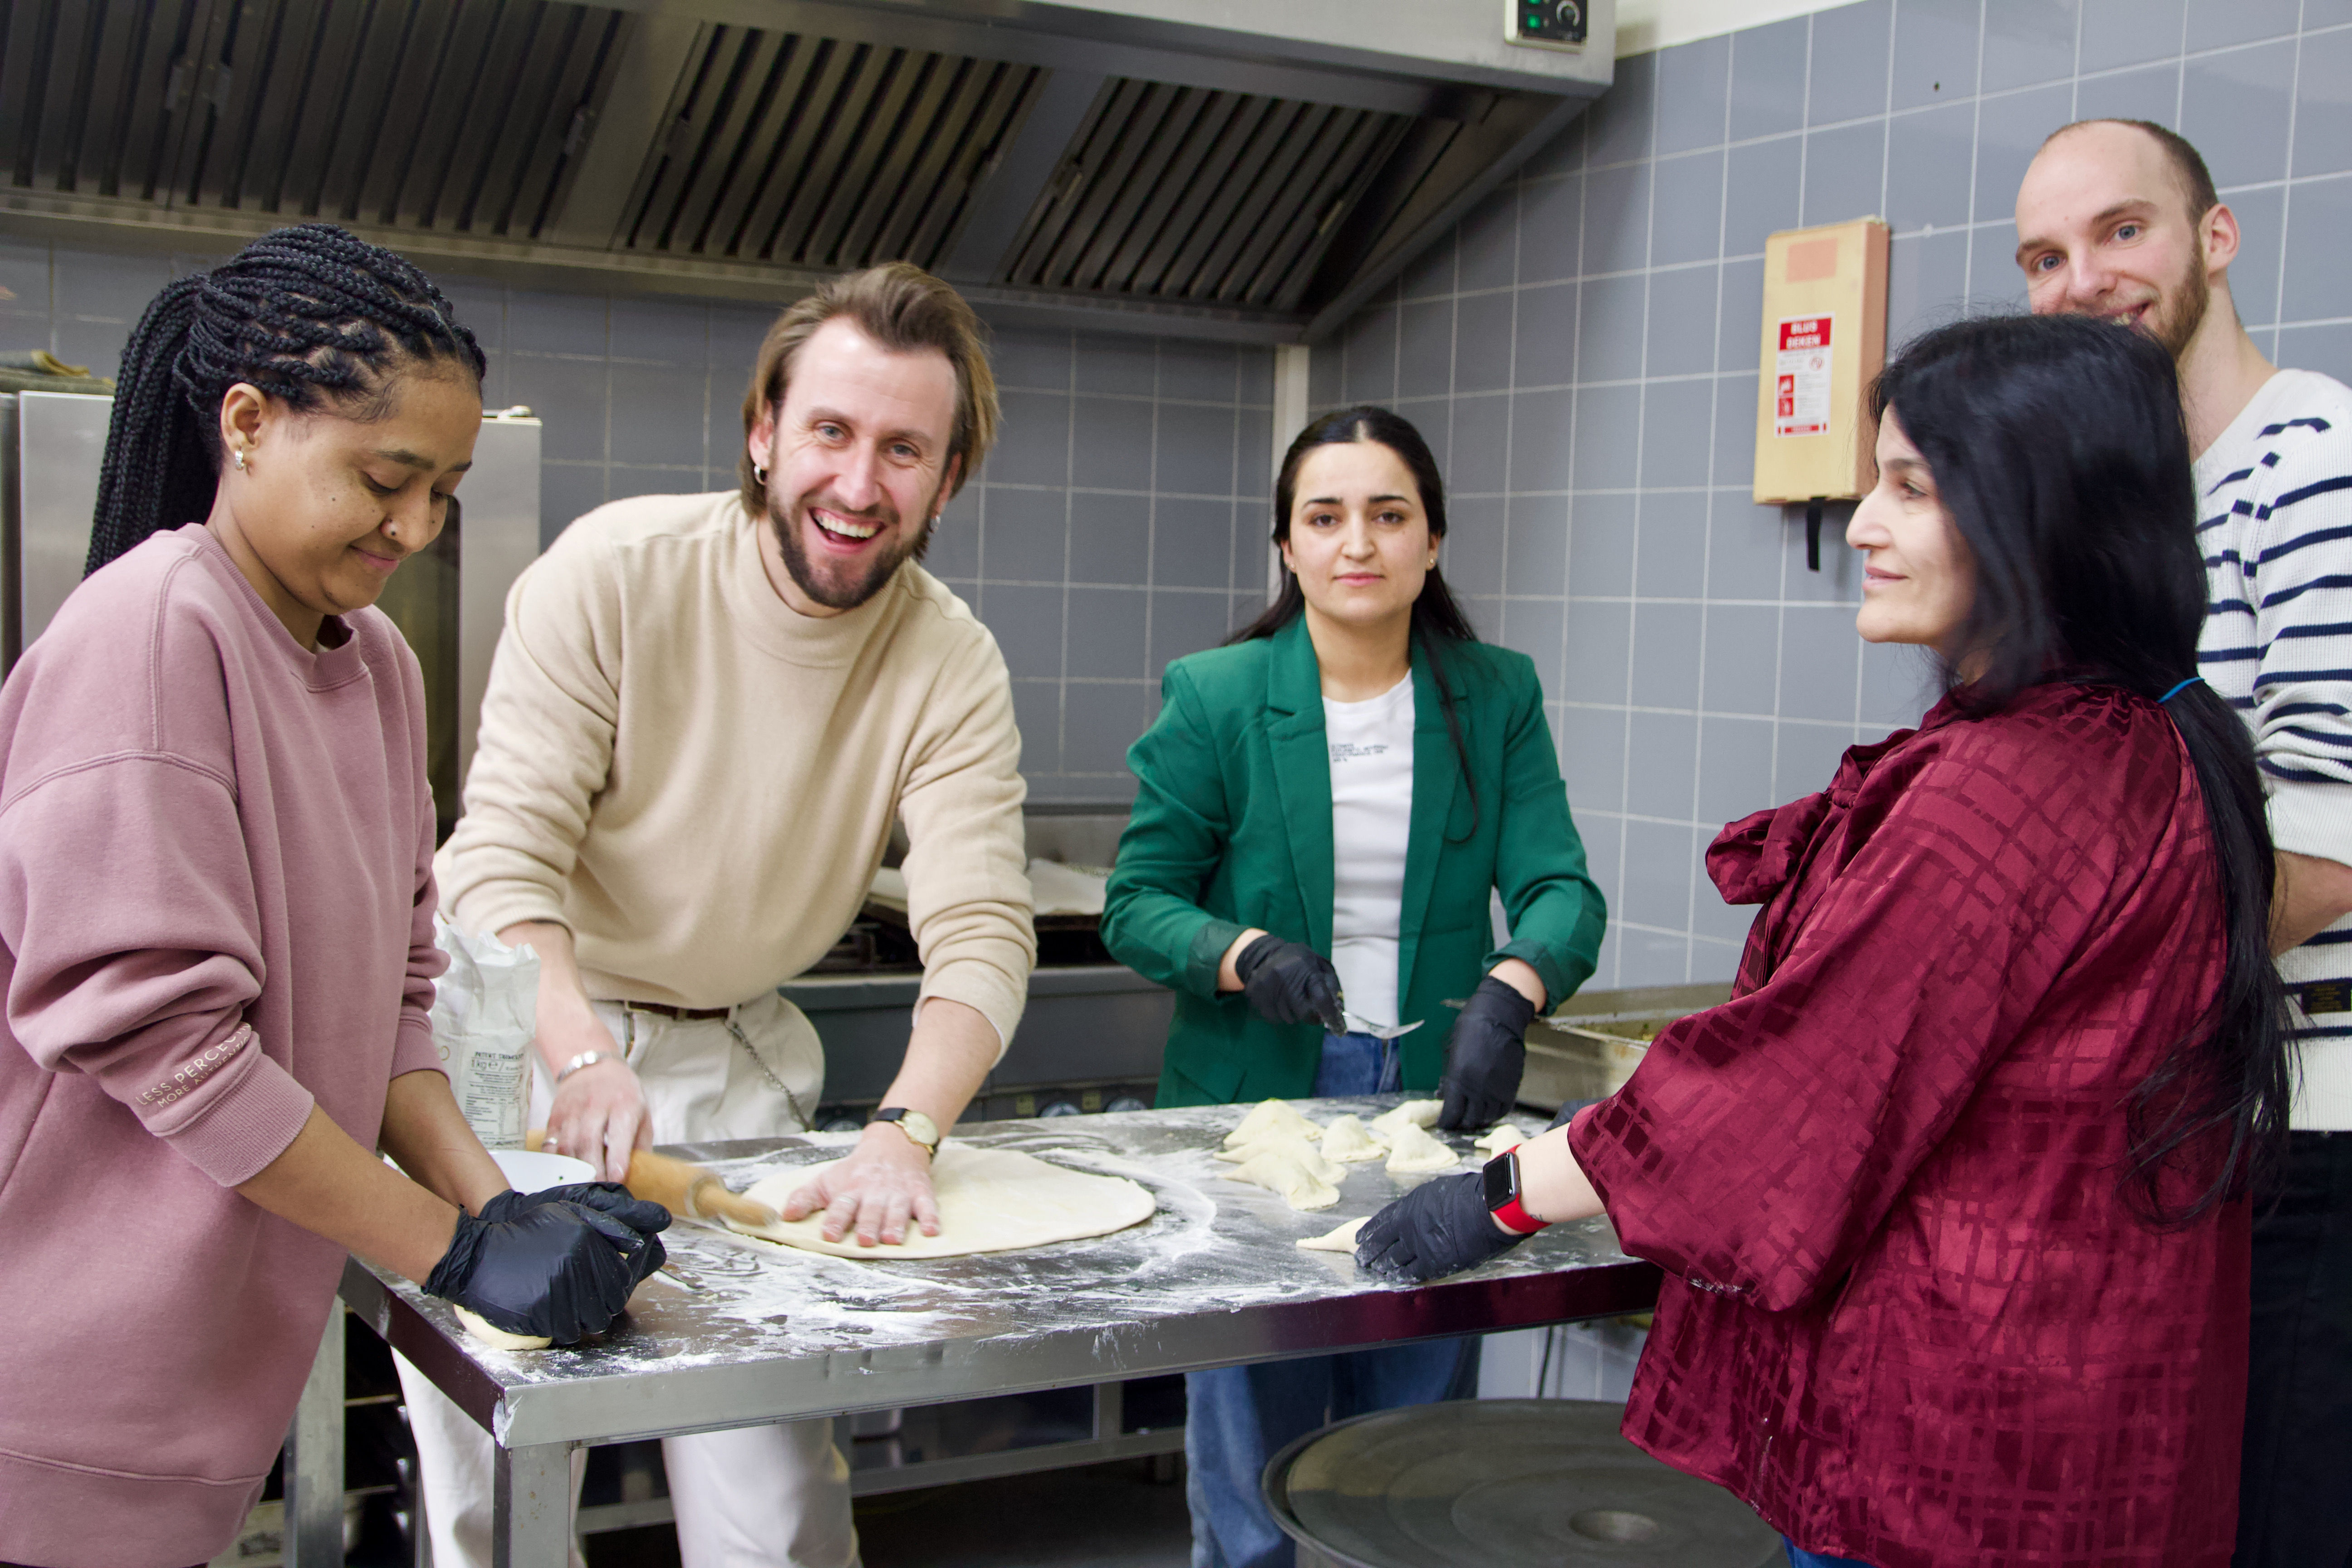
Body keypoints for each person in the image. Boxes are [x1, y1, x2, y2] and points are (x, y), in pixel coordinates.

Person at [1357, 314, 2293, 1568]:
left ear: (2039, 510)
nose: (1861, 524)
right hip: (2101, 1435)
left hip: (1959, 1458)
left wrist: (1499, 1199)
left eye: (1911, 487)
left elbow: (1787, 1102)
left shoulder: (2005, 790)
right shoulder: (2156, 743)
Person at [0, 225, 666, 1568]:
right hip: (57, 1376)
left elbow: (392, 1004)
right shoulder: (149, 635)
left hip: (203, 1368)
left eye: (447, 492)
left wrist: (493, 1209)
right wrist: (450, 1251)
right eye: (384, 479)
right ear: (247, 424)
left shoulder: (373, 667)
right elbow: (171, 1047)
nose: (417, 529)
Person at [406, 261, 1035, 1568]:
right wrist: (576, 1056)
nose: (860, 487)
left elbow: (979, 929)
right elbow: (500, 860)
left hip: (733, 1067)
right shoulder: (616, 574)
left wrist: (906, 1134)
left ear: (949, 476)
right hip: (525, 1052)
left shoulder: (948, 659)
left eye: (904, 450)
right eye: (831, 432)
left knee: (773, 1493)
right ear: (763, 431)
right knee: (497, 1482)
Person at [1101, 404, 1605, 1568]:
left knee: (1417, 1440)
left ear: (1433, 541)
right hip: (1258, 1100)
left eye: (1390, 515)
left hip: (1437, 1098)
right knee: (1251, 1436)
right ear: (1287, 545)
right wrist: (1245, 954)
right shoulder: (1219, 695)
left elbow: (1560, 887)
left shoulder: (1495, 693)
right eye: (1326, 518)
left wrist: (1510, 991)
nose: (1358, 544)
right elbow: (1137, 900)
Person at [2014, 118, 2352, 1568]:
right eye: (2045, 256)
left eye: (2122, 233)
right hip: (2197, 1115)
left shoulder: (2316, 459)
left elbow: (2330, 856)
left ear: (2217, 238)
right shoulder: (2140, 513)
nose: (2083, 280)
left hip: (2312, 1136)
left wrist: (2045, 998)